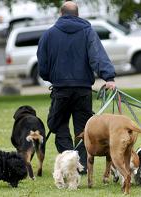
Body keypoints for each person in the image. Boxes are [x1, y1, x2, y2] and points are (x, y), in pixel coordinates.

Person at [37, 1, 116, 174]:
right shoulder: (88, 32)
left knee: (58, 124)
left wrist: (50, 78)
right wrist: (108, 77)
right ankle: (80, 167)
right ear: (77, 14)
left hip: (60, 90)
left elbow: (42, 65)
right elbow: (98, 56)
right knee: (82, 129)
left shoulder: (49, 34)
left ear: (61, 13)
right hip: (83, 90)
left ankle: (68, 161)